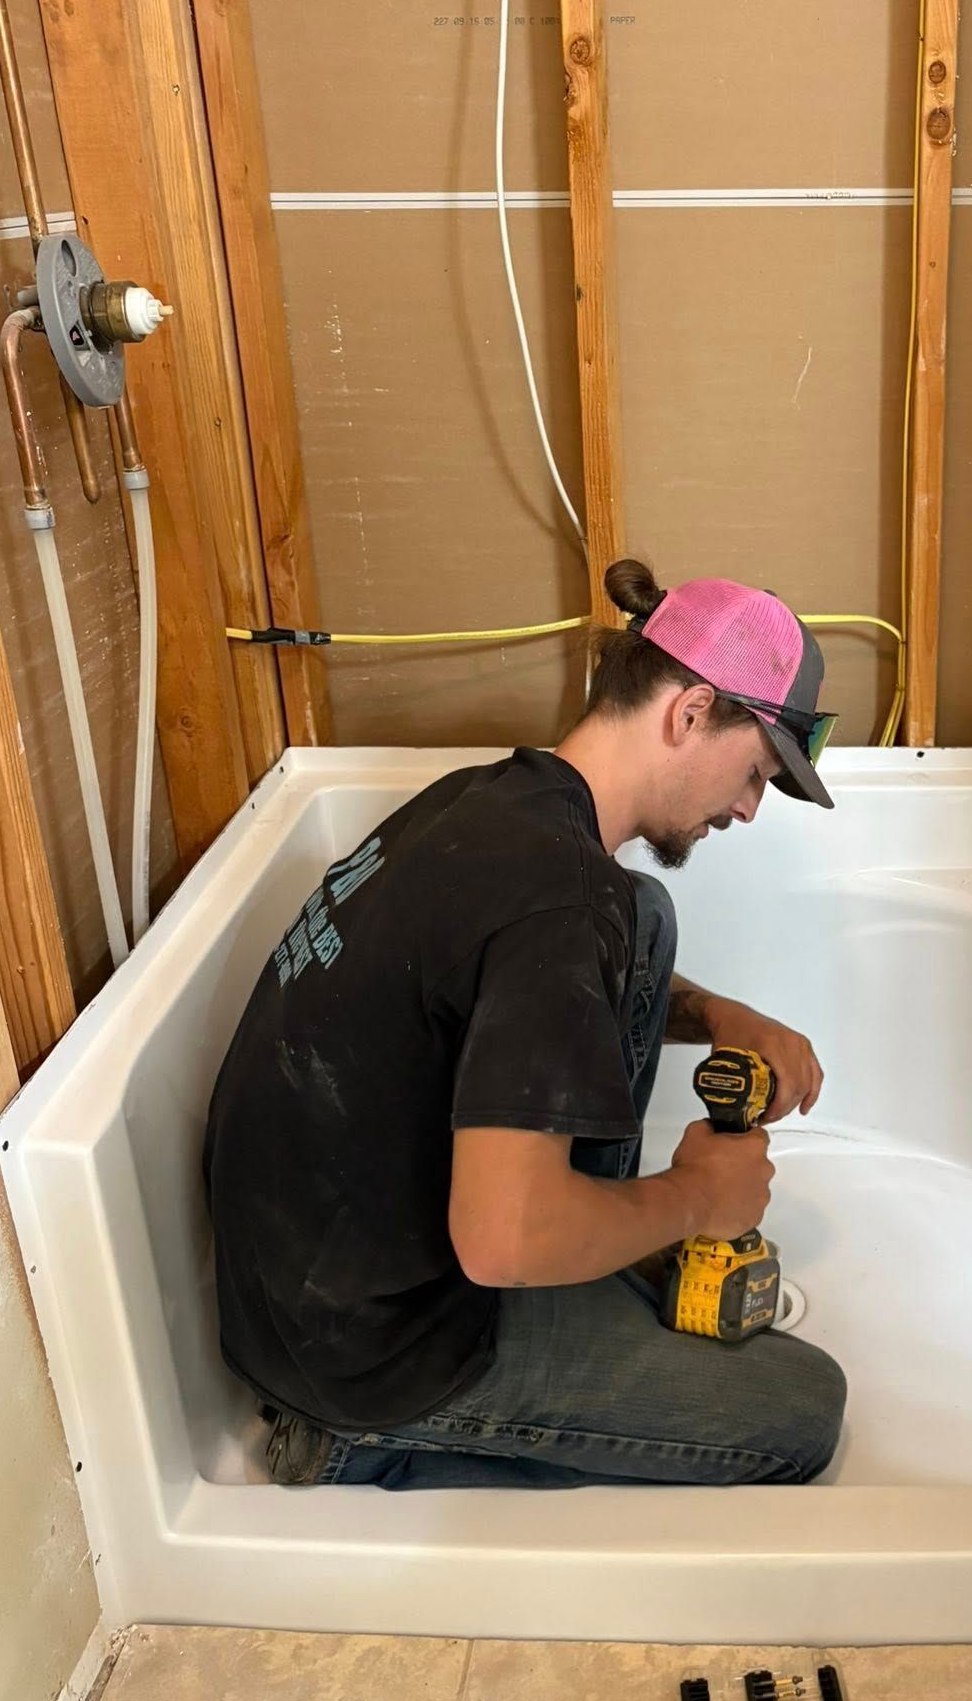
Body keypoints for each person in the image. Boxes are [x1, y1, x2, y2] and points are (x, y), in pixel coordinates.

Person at [204, 559, 847, 1491]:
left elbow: (513, 976)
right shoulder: (559, 904)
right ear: (691, 712)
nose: (747, 809)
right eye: (754, 773)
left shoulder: (494, 799)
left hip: (304, 1279)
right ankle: (356, 1447)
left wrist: (718, 1015)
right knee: (801, 1411)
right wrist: (697, 1199)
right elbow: (501, 1240)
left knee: (645, 915)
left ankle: (582, 1253)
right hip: (372, 1356)